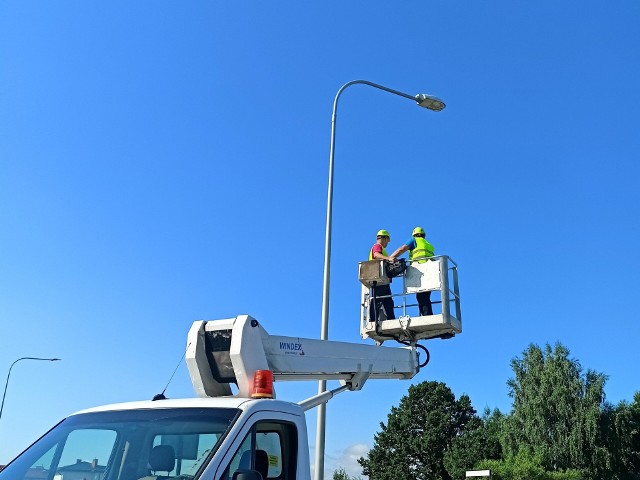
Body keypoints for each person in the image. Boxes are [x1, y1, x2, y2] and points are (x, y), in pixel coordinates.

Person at [389, 226, 435, 316]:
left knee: (421, 297)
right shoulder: (428, 244)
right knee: (426, 296)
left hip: (419, 271)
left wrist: (390, 258)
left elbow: (402, 249)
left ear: (414, 235)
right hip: (430, 272)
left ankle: (427, 316)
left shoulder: (414, 240)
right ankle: (427, 314)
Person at [368, 229, 396, 322]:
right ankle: (373, 320)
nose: (387, 243)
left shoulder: (381, 249)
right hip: (379, 278)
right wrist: (389, 259)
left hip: (384, 279)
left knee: (388, 302)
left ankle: (391, 319)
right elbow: (376, 255)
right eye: (387, 240)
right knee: (378, 300)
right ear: (384, 238)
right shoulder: (377, 246)